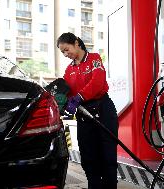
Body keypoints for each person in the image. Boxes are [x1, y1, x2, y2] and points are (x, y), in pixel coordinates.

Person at [57, 32, 119, 189]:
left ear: (76, 43)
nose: (65, 54)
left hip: (103, 110)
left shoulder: (94, 59)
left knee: (107, 153)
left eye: (66, 49)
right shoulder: (68, 70)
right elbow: (65, 92)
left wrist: (78, 98)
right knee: (88, 155)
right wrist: (60, 103)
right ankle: (94, 186)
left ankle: (110, 186)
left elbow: (97, 83)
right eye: (62, 52)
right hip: (84, 114)